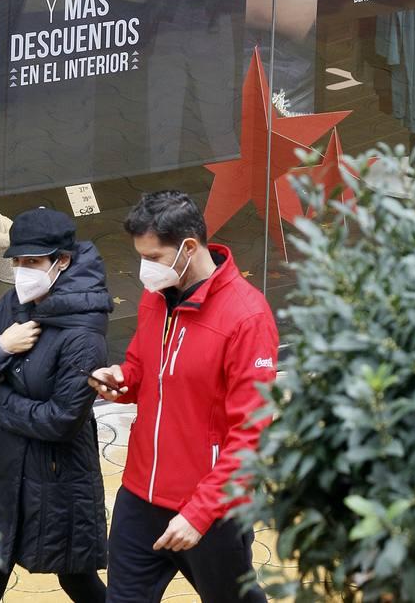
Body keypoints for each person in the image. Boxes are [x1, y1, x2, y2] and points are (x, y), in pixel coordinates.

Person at [91, 190, 278, 603]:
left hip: (208, 507)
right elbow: (142, 367)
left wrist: (198, 514)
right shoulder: (156, 297)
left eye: (154, 257)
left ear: (189, 247)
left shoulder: (248, 317)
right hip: (140, 494)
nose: (145, 270)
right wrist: (121, 379)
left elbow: (251, 435)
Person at [0, 207, 111, 603]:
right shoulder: (13, 304)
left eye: (33, 262)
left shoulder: (84, 334)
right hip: (4, 466)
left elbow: (62, 420)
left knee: (75, 578)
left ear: (62, 261)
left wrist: (3, 402)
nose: (23, 270)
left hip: (59, 475)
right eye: (18, 261)